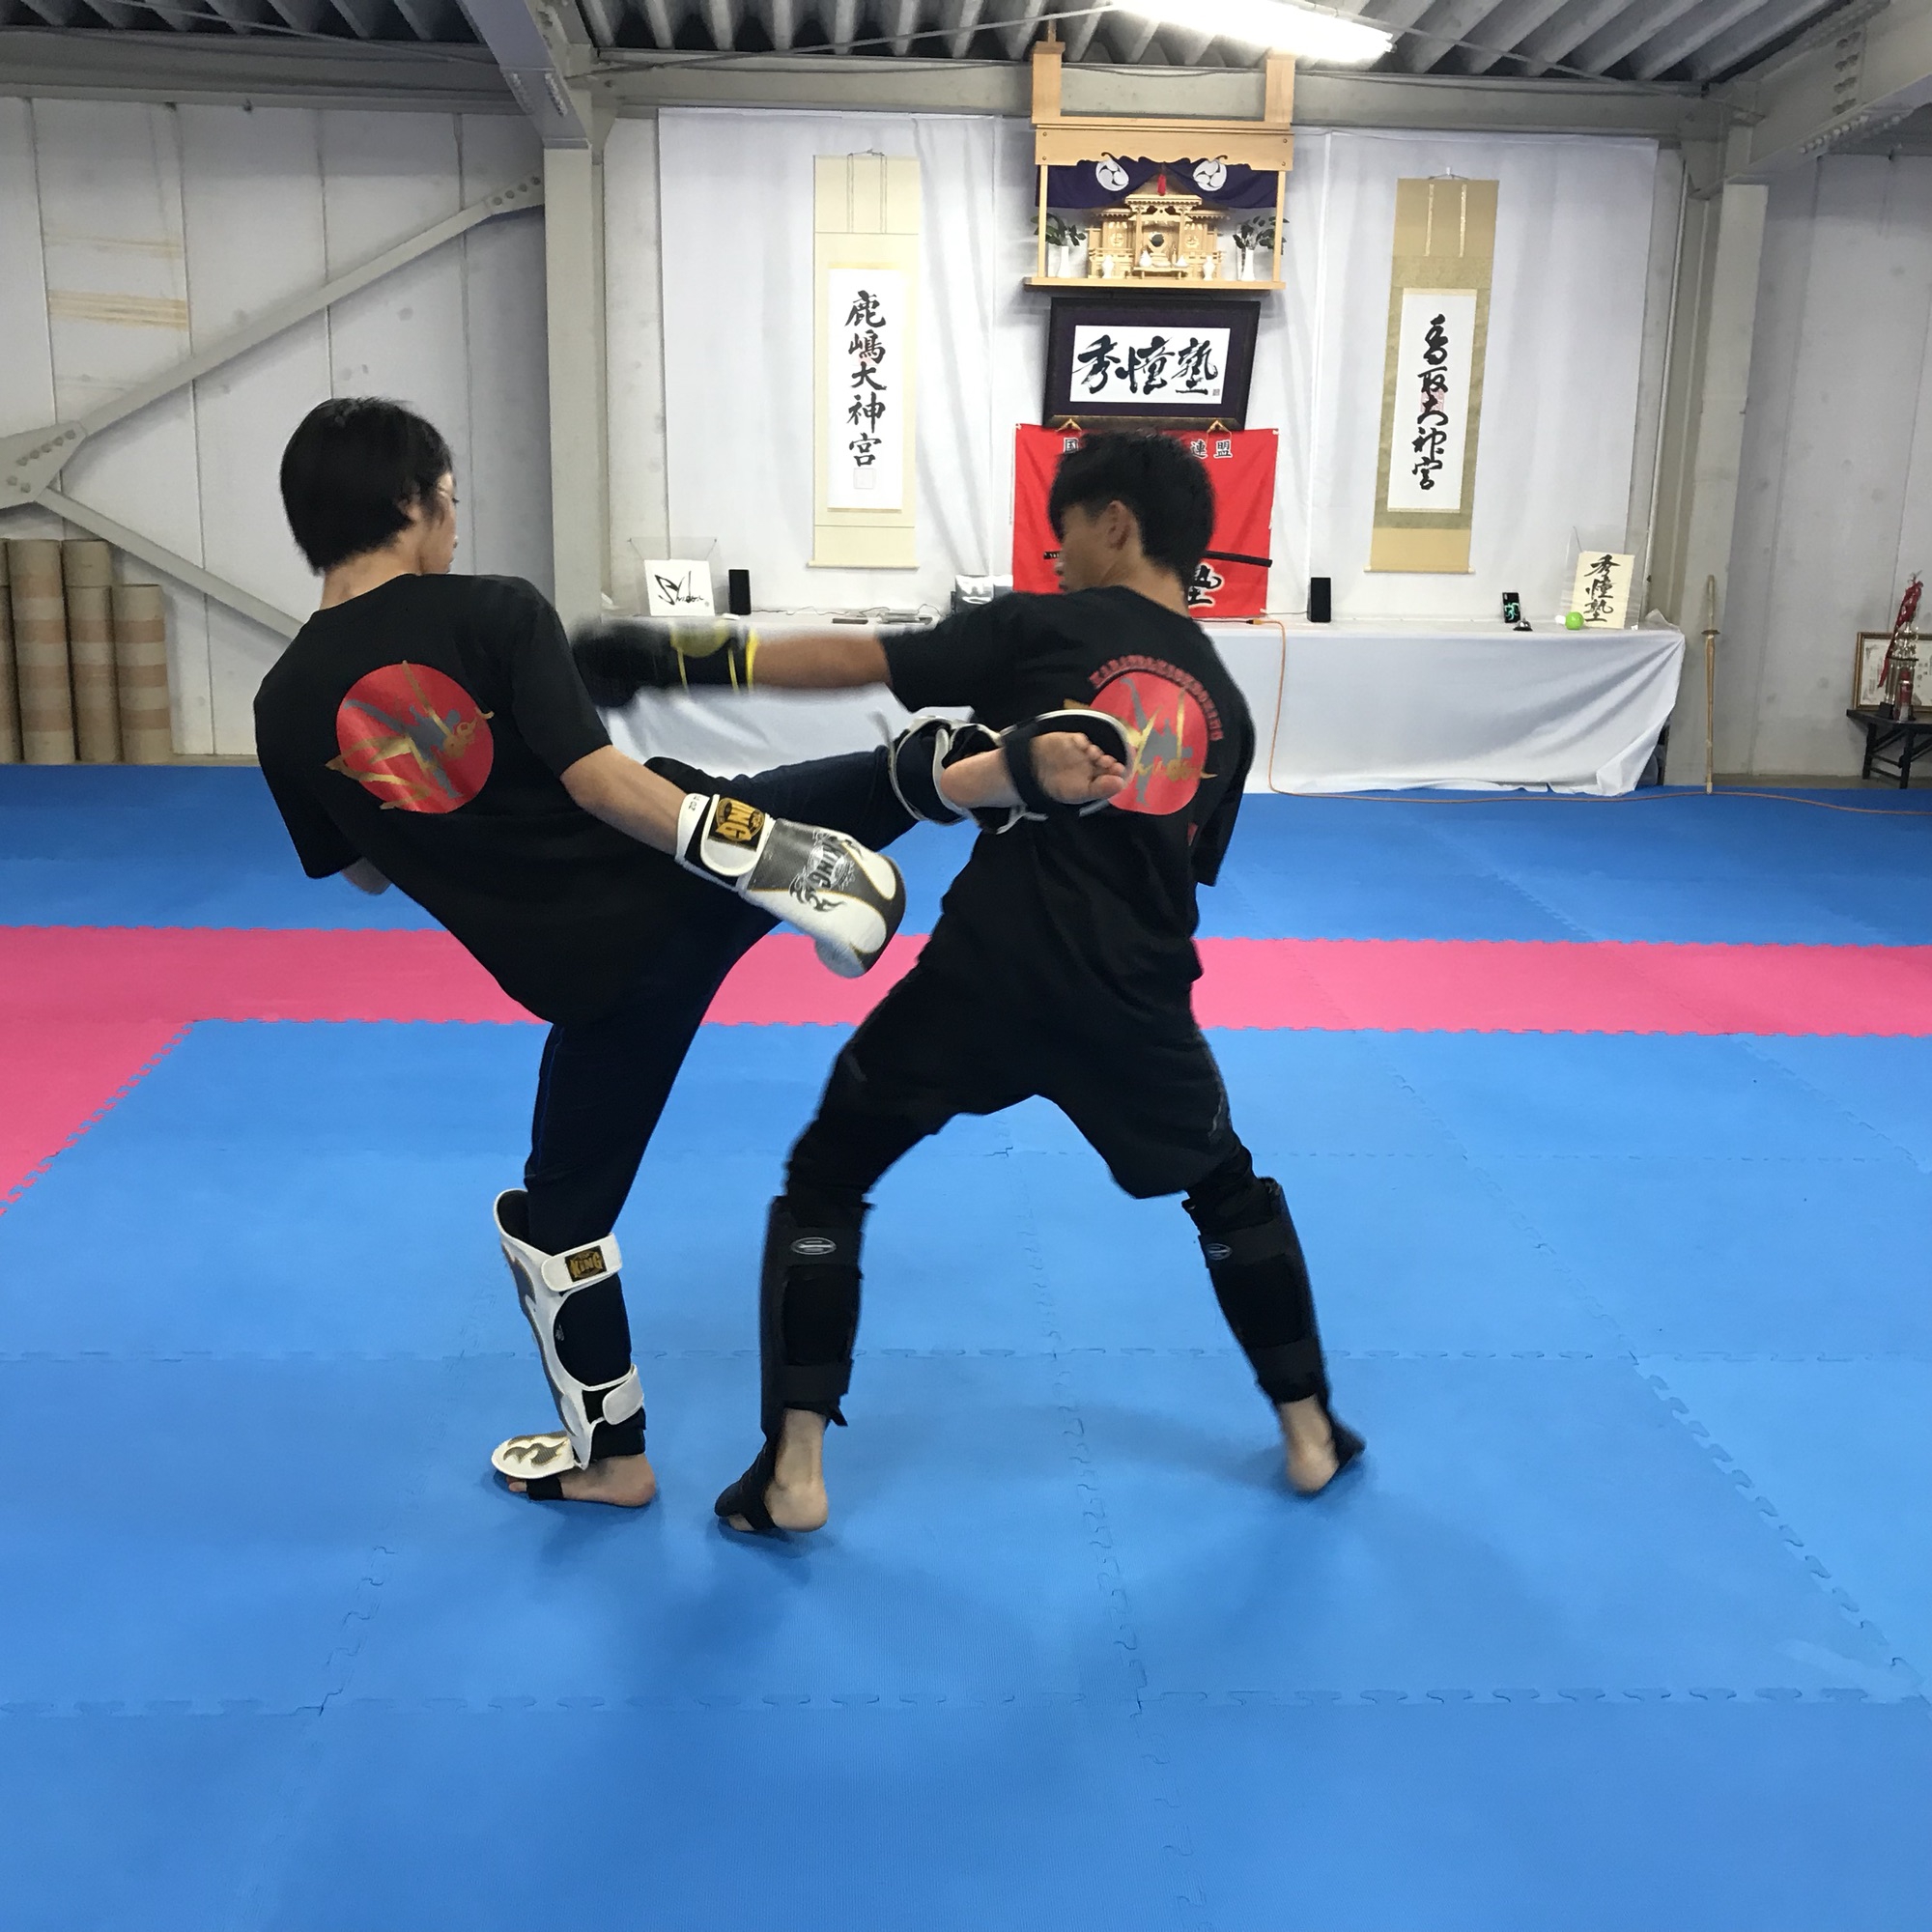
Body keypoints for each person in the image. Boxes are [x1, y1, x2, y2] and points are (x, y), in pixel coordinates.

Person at [252, 398, 1108, 1512]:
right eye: (450, 498)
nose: (454, 522)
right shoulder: (493, 610)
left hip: (585, 980)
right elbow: (604, 784)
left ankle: (613, 1460)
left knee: (556, 1227)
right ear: (408, 499)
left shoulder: (282, 706)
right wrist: (761, 859)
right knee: (866, 780)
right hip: (681, 877)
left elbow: (366, 873)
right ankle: (973, 777)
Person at [576, 431, 1362, 1537]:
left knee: (826, 1177)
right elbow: (1172, 869)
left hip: (986, 977)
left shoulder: (1042, 625)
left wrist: (679, 661)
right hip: (1135, 1004)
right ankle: (1309, 1429)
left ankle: (794, 1472)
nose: (1054, 555)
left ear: (1115, 523)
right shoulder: (1224, 703)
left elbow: (859, 661)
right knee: (1227, 1191)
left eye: (1062, 531)